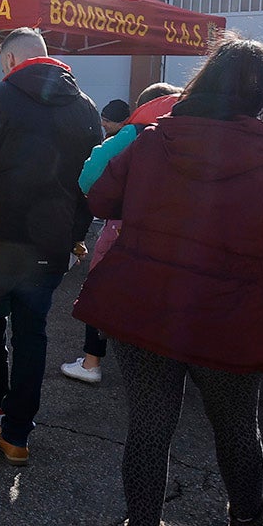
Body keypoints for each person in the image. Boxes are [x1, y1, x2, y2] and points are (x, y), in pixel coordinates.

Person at [73, 36, 263, 526]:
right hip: (231, 316)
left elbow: (100, 199)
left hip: (145, 304)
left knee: (148, 423)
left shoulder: (152, 140)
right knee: (236, 425)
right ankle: (245, 523)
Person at [0, 27, 101, 464]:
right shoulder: (86, 108)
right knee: (32, 337)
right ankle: (17, 434)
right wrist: (73, 233)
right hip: (49, 245)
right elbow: (90, 183)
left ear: (10, 62)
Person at [60, 83, 182, 385]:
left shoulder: (137, 132)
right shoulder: (200, 132)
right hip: (178, 234)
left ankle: (91, 362)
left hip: (126, 224)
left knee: (100, 287)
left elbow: (90, 175)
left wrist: (109, 203)